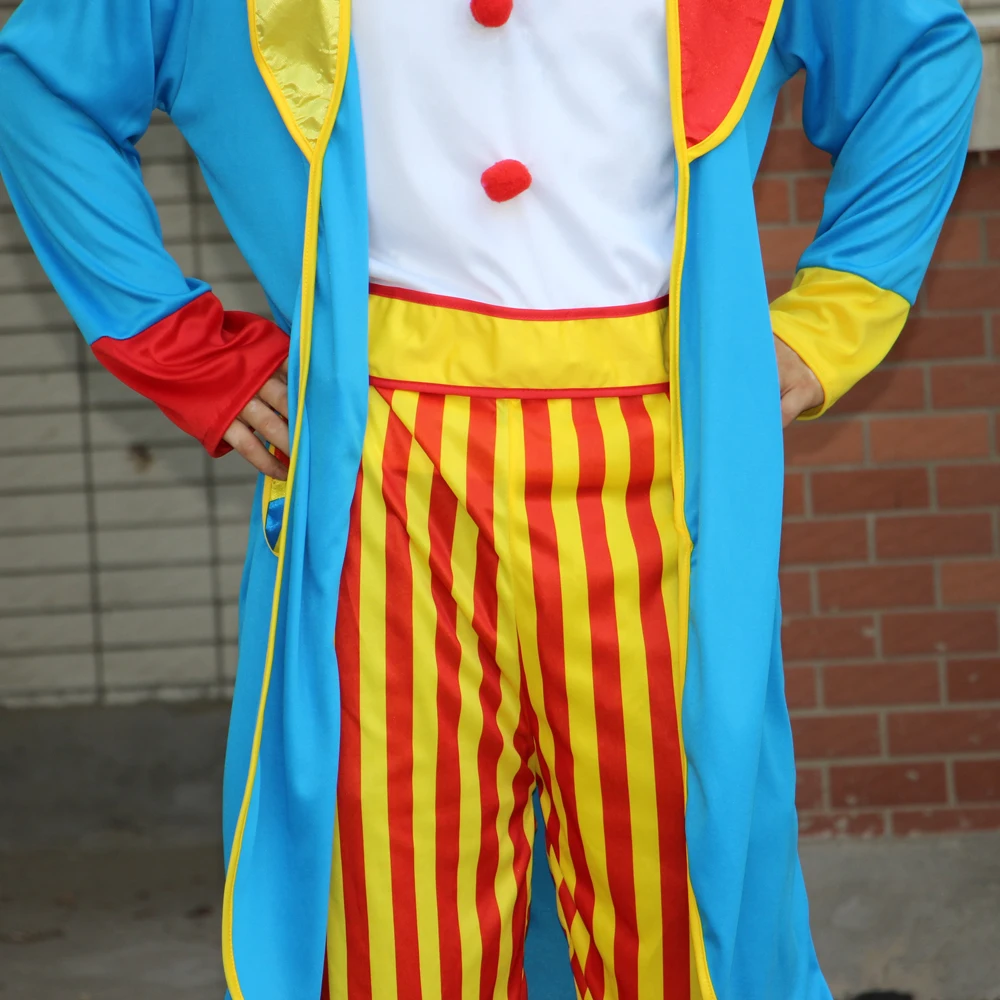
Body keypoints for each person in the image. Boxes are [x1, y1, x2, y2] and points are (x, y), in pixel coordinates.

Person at [0, 1, 981, 998]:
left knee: (689, 906)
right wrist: (181, 347)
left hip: (658, 468)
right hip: (379, 476)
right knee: (392, 924)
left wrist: (833, 318)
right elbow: (48, 84)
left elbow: (917, 56)